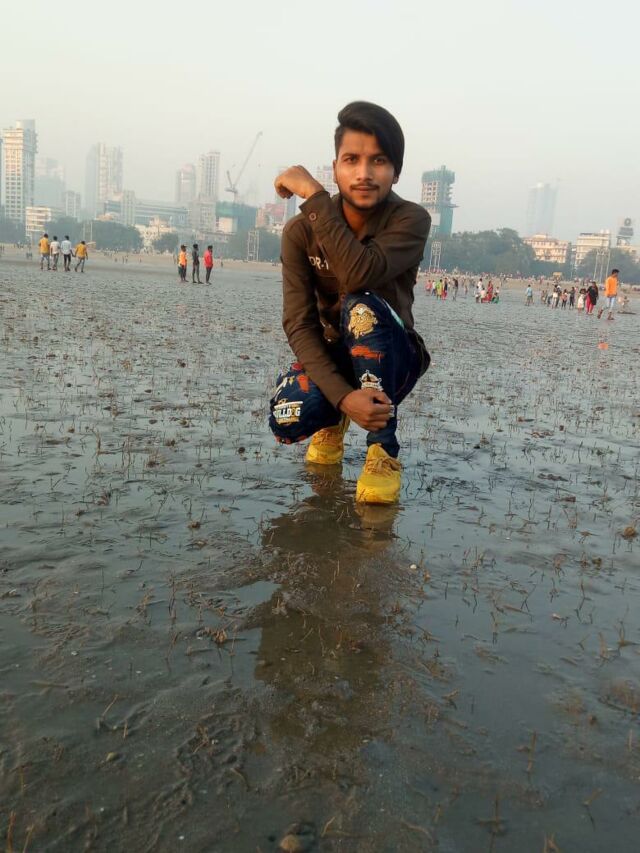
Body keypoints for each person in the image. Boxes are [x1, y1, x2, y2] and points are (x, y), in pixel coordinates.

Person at [269, 101, 431, 505]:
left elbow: (359, 273)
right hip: (335, 354)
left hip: (394, 358)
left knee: (361, 306)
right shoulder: (299, 233)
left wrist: (314, 195)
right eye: (351, 160)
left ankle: (383, 450)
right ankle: (334, 419)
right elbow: (298, 323)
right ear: (336, 166)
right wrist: (342, 397)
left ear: (396, 171)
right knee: (288, 415)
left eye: (379, 160)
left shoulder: (410, 220)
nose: (364, 173)